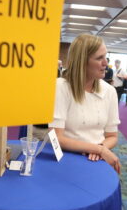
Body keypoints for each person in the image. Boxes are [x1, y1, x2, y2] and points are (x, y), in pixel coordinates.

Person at [49, 34, 121, 173]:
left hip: (97, 158)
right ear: (82, 61)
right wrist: (98, 149)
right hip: (67, 159)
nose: (106, 63)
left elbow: (112, 136)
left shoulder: (110, 91)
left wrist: (99, 149)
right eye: (99, 58)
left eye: (105, 57)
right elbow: (56, 138)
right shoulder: (61, 87)